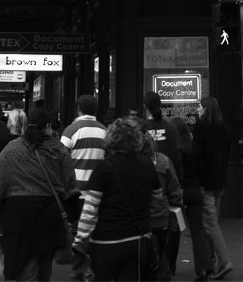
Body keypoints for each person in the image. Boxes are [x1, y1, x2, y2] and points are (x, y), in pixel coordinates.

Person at [0, 106, 77, 282]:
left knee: (23, 269)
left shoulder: (13, 149)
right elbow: (70, 183)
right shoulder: (59, 149)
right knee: (44, 265)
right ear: (48, 126)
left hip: (18, 218)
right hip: (49, 217)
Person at [72, 117, 163, 281]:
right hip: (137, 239)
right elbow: (157, 198)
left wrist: (81, 240)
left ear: (112, 140)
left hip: (105, 241)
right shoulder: (147, 165)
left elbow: (90, 210)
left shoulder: (103, 168)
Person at [192, 96, 232, 281]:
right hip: (220, 182)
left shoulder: (200, 128)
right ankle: (212, 263)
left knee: (210, 224)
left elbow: (198, 157)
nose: (197, 110)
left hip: (206, 183)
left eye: (200, 107)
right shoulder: (224, 129)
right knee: (212, 221)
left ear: (206, 109)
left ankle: (224, 262)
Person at [171, 116, 210, 281]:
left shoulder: (176, 149)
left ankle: (170, 267)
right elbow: (203, 169)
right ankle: (203, 268)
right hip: (195, 190)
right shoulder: (195, 147)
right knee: (198, 230)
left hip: (180, 192)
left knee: (174, 230)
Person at [142, 130, 182, 281]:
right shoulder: (164, 161)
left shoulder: (136, 164)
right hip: (161, 213)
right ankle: (163, 274)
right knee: (160, 247)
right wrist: (176, 205)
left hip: (144, 216)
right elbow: (174, 188)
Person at [61, 94, 106, 193]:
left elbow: (61, 161)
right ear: (95, 110)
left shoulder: (70, 131)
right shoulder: (105, 131)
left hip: (75, 190)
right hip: (98, 189)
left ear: (78, 109)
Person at [143, 91, 183, 184]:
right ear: (160, 105)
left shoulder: (141, 128)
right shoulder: (171, 127)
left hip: (145, 180)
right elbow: (177, 158)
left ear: (145, 106)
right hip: (167, 179)